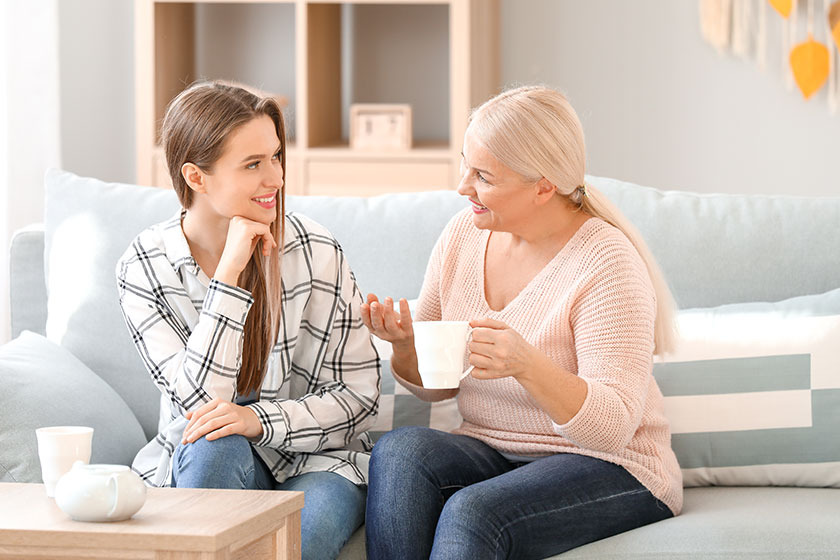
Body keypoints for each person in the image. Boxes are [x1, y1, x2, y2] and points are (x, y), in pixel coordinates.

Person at [361, 85, 682, 560]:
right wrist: (405, 345)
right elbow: (438, 387)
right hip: (494, 450)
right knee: (401, 452)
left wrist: (527, 364)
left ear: (543, 186)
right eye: (465, 165)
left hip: (612, 465)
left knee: (473, 512)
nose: (462, 187)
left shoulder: (606, 262)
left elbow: (612, 428)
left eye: (483, 176)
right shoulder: (461, 236)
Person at [116, 81, 380, 560]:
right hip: (209, 454)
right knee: (215, 443)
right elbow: (198, 405)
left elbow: (357, 396)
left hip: (321, 462)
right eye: (253, 165)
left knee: (294, 542)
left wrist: (256, 420)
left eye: (276, 157)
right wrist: (230, 277)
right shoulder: (145, 266)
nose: (276, 178)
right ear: (196, 177)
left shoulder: (315, 250)